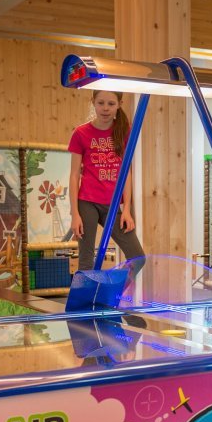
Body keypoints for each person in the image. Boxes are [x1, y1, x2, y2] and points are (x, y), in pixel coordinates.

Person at [68, 90, 145, 281]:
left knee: (138, 258)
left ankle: (113, 294)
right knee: (87, 262)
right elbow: (74, 174)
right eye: (101, 103)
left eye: (111, 104)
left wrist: (127, 209)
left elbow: (126, 172)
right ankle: (85, 305)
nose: (105, 108)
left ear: (119, 104)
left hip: (113, 204)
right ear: (93, 102)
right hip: (87, 202)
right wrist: (75, 214)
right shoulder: (81, 133)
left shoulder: (124, 131)